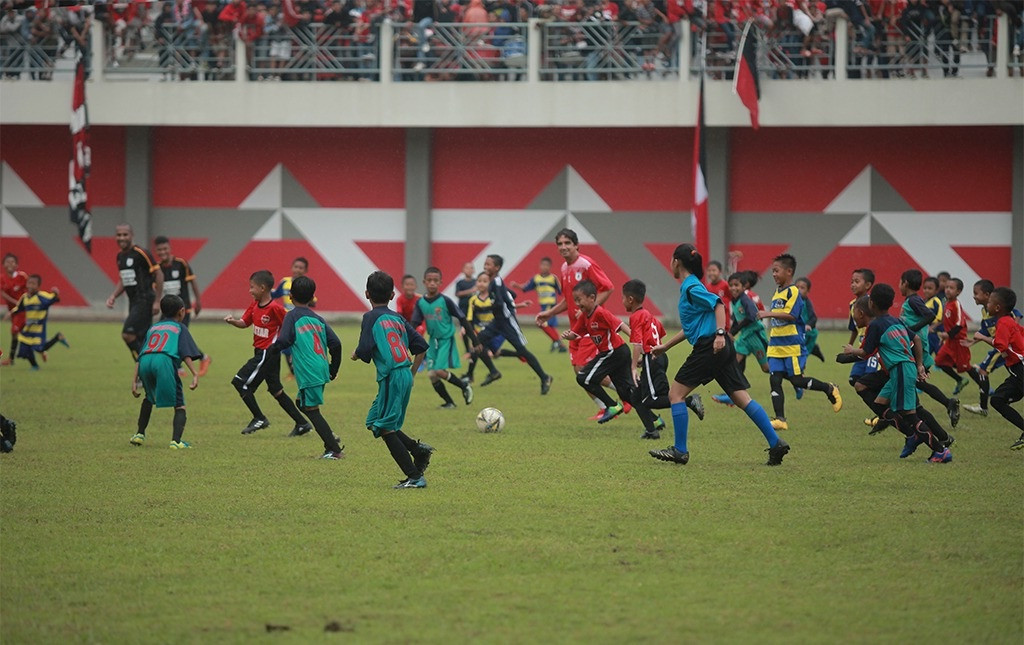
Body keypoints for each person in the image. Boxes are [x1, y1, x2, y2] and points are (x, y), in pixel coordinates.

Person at [648, 244, 791, 467]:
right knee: (741, 398)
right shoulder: (692, 286)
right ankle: (776, 443)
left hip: (710, 347)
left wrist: (720, 334)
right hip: (720, 348)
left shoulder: (690, 287)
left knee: (675, 394)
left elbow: (718, 304)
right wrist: (666, 346)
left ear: (676, 262)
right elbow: (694, 325)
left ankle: (680, 450)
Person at [842, 284, 954, 463]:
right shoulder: (895, 320)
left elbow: (865, 353)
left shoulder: (876, 325)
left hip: (901, 369)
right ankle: (913, 435)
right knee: (880, 403)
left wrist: (850, 349)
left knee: (909, 413)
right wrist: (919, 366)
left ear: (871, 303)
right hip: (902, 369)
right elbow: (916, 339)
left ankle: (940, 450)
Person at [351, 270, 435, 489]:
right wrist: (412, 374)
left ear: (367, 294)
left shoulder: (369, 317)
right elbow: (421, 347)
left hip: (392, 376)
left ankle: (414, 477)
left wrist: (356, 354)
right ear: (391, 296)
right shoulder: (397, 318)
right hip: (403, 374)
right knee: (374, 422)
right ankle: (417, 450)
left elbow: (364, 350)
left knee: (386, 428)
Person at [562, 280, 659, 436]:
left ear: (592, 298)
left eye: (579, 299)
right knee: (629, 393)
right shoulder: (585, 316)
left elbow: (621, 325)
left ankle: (612, 405)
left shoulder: (600, 312)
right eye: (575, 300)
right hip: (617, 353)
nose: (576, 303)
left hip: (614, 352)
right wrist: (569, 336)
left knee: (583, 378)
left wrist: (637, 343)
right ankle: (654, 421)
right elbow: (576, 333)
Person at [537, 228, 616, 418]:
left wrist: (590, 309)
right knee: (578, 371)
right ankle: (607, 406)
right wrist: (549, 313)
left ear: (576, 245)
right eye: (560, 244)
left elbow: (608, 288)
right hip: (576, 329)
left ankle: (624, 395)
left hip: (591, 326)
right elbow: (568, 300)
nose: (563, 247)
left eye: (567, 243)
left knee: (583, 370)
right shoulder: (564, 269)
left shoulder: (586, 264)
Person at [223, 270, 312, 437]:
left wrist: (293, 347)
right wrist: (234, 321)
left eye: (252, 287)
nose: (250, 290)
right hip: (261, 352)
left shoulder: (275, 309)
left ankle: (259, 418)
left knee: (240, 382)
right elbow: (245, 323)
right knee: (275, 389)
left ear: (263, 288)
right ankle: (302, 423)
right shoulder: (254, 305)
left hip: (267, 353)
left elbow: (290, 326)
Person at [758, 253, 841, 430]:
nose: (773, 274)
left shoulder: (793, 292)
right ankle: (780, 419)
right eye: (772, 271)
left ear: (789, 272)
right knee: (775, 380)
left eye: (776, 270)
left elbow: (792, 316)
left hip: (791, 345)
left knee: (797, 381)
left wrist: (768, 313)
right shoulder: (777, 292)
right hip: (775, 345)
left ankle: (829, 388)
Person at [271, 276, 346, 459]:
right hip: (320, 366)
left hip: (309, 370)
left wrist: (270, 351)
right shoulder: (317, 318)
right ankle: (330, 440)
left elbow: (284, 340)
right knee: (302, 403)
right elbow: (336, 344)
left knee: (312, 409)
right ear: (313, 296)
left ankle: (333, 449)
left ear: (291, 295)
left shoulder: (292, 315)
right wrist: (332, 369)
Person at [621, 278, 704, 440]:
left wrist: (633, 366)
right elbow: (659, 333)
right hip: (658, 356)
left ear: (630, 299)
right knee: (636, 397)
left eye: (623, 297)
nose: (622, 301)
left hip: (652, 359)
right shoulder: (648, 315)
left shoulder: (636, 316)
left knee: (650, 400)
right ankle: (652, 431)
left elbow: (637, 343)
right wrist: (645, 356)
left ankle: (688, 401)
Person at [475, 254, 554, 395]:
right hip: (497, 322)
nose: (485, 267)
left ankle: (545, 377)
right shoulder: (495, 281)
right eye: (485, 264)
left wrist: (485, 308)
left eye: (488, 264)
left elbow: (498, 302)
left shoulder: (497, 282)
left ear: (497, 267)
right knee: (478, 341)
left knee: (522, 351)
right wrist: (509, 299)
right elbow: (509, 294)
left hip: (507, 322)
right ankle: (493, 372)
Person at [130, 295, 201, 449]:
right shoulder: (179, 328)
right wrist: (195, 374)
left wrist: (134, 382)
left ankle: (139, 434)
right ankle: (176, 441)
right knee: (179, 404)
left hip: (145, 362)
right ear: (182, 311)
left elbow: (141, 354)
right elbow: (185, 353)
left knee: (149, 397)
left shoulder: (153, 328)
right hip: (163, 361)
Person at [898, 269, 960, 429]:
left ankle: (915, 422)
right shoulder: (911, 301)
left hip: (918, 348)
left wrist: (911, 329)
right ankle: (947, 404)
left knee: (908, 383)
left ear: (905, 283)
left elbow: (930, 316)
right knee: (916, 383)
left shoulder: (913, 301)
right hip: (913, 347)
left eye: (900, 282)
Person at [965, 287, 1024, 449]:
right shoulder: (1008, 321)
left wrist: (982, 337)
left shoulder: (1004, 322)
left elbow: (1001, 345)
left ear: (997, 307)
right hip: (1016, 371)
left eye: (990, 302)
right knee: (997, 400)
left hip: (1021, 369)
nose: (987, 305)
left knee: (998, 400)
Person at [411, 266, 476, 409]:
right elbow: (414, 323)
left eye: (435, 280)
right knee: (432, 375)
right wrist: (405, 339)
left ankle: (465, 386)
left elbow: (462, 319)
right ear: (424, 282)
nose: (432, 283)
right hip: (432, 341)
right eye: (429, 280)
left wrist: (475, 340)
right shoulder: (420, 303)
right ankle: (450, 403)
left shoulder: (445, 301)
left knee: (439, 370)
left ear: (440, 282)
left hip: (446, 340)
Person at [153, 236, 211, 377]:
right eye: (159, 250)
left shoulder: (181, 264)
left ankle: (180, 368)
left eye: (165, 248)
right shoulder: (158, 269)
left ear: (170, 248)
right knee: (166, 336)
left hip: (182, 309)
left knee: (178, 336)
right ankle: (201, 358)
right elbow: (157, 288)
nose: (162, 252)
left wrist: (198, 301)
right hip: (166, 310)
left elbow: (192, 282)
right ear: (156, 251)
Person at [107, 224, 163, 361]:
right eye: (119, 235)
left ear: (132, 235)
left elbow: (159, 273)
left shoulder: (140, 253)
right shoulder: (120, 256)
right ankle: (145, 373)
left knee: (128, 334)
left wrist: (157, 301)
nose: (122, 237)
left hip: (144, 300)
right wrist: (113, 296)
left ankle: (147, 363)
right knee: (142, 338)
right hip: (133, 302)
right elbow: (124, 279)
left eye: (125, 234)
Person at [934, 278, 987, 398]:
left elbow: (959, 324)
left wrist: (948, 334)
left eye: (951, 288)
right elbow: (947, 322)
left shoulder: (956, 304)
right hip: (950, 341)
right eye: (947, 287)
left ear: (958, 292)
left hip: (959, 341)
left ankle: (985, 387)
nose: (947, 290)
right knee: (939, 361)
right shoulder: (947, 303)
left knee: (966, 367)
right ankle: (960, 380)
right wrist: (945, 336)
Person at [5, 275, 68, 369]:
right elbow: (19, 308)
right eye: (29, 283)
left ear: (38, 286)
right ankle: (34, 366)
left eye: (33, 284)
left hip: (39, 329)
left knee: (39, 348)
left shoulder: (42, 297)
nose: (30, 285)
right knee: (24, 350)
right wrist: (11, 313)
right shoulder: (25, 297)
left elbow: (55, 298)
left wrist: (56, 293)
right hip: (28, 328)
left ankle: (57, 337)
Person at [271, 257, 315, 379]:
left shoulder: (306, 284)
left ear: (305, 270)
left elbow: (313, 301)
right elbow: (275, 295)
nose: (297, 270)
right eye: (296, 267)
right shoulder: (285, 282)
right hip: (285, 319)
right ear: (291, 267)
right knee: (285, 346)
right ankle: (294, 371)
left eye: (301, 268)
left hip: (300, 319)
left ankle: (301, 369)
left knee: (301, 344)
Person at [510, 257, 567, 353]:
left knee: (541, 323)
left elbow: (561, 291)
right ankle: (559, 344)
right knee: (549, 326)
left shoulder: (553, 278)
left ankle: (558, 342)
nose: (544, 267)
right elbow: (525, 288)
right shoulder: (536, 278)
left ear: (550, 267)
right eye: (542, 265)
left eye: (546, 265)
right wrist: (516, 285)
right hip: (543, 305)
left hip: (550, 304)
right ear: (540, 266)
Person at [1, 253, 28, 364]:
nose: (10, 264)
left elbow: (28, 292)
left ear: (17, 265)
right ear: (3, 264)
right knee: (24, 333)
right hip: (13, 310)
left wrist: (19, 304)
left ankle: (11, 359)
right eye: (7, 261)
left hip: (22, 310)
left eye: (12, 262)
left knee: (15, 331)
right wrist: (15, 304)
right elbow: (2, 293)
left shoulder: (22, 277)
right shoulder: (2, 278)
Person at [794, 277, 825, 362]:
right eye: (797, 287)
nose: (799, 290)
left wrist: (808, 325)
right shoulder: (791, 302)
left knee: (803, 354)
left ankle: (801, 370)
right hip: (798, 332)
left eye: (802, 288)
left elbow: (813, 317)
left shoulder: (807, 303)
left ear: (808, 291)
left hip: (809, 333)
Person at [703, 260, 731, 330]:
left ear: (720, 271)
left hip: (725, 320)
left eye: (714, 270)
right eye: (709, 270)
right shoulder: (707, 287)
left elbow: (732, 299)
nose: (711, 273)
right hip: (712, 320)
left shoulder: (726, 285)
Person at [921, 276, 943, 355]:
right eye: (925, 288)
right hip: (926, 333)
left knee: (941, 355)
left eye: (930, 288)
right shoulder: (922, 301)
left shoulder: (936, 301)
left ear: (936, 290)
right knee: (926, 354)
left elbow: (940, 319)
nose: (926, 290)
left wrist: (931, 328)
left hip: (935, 333)